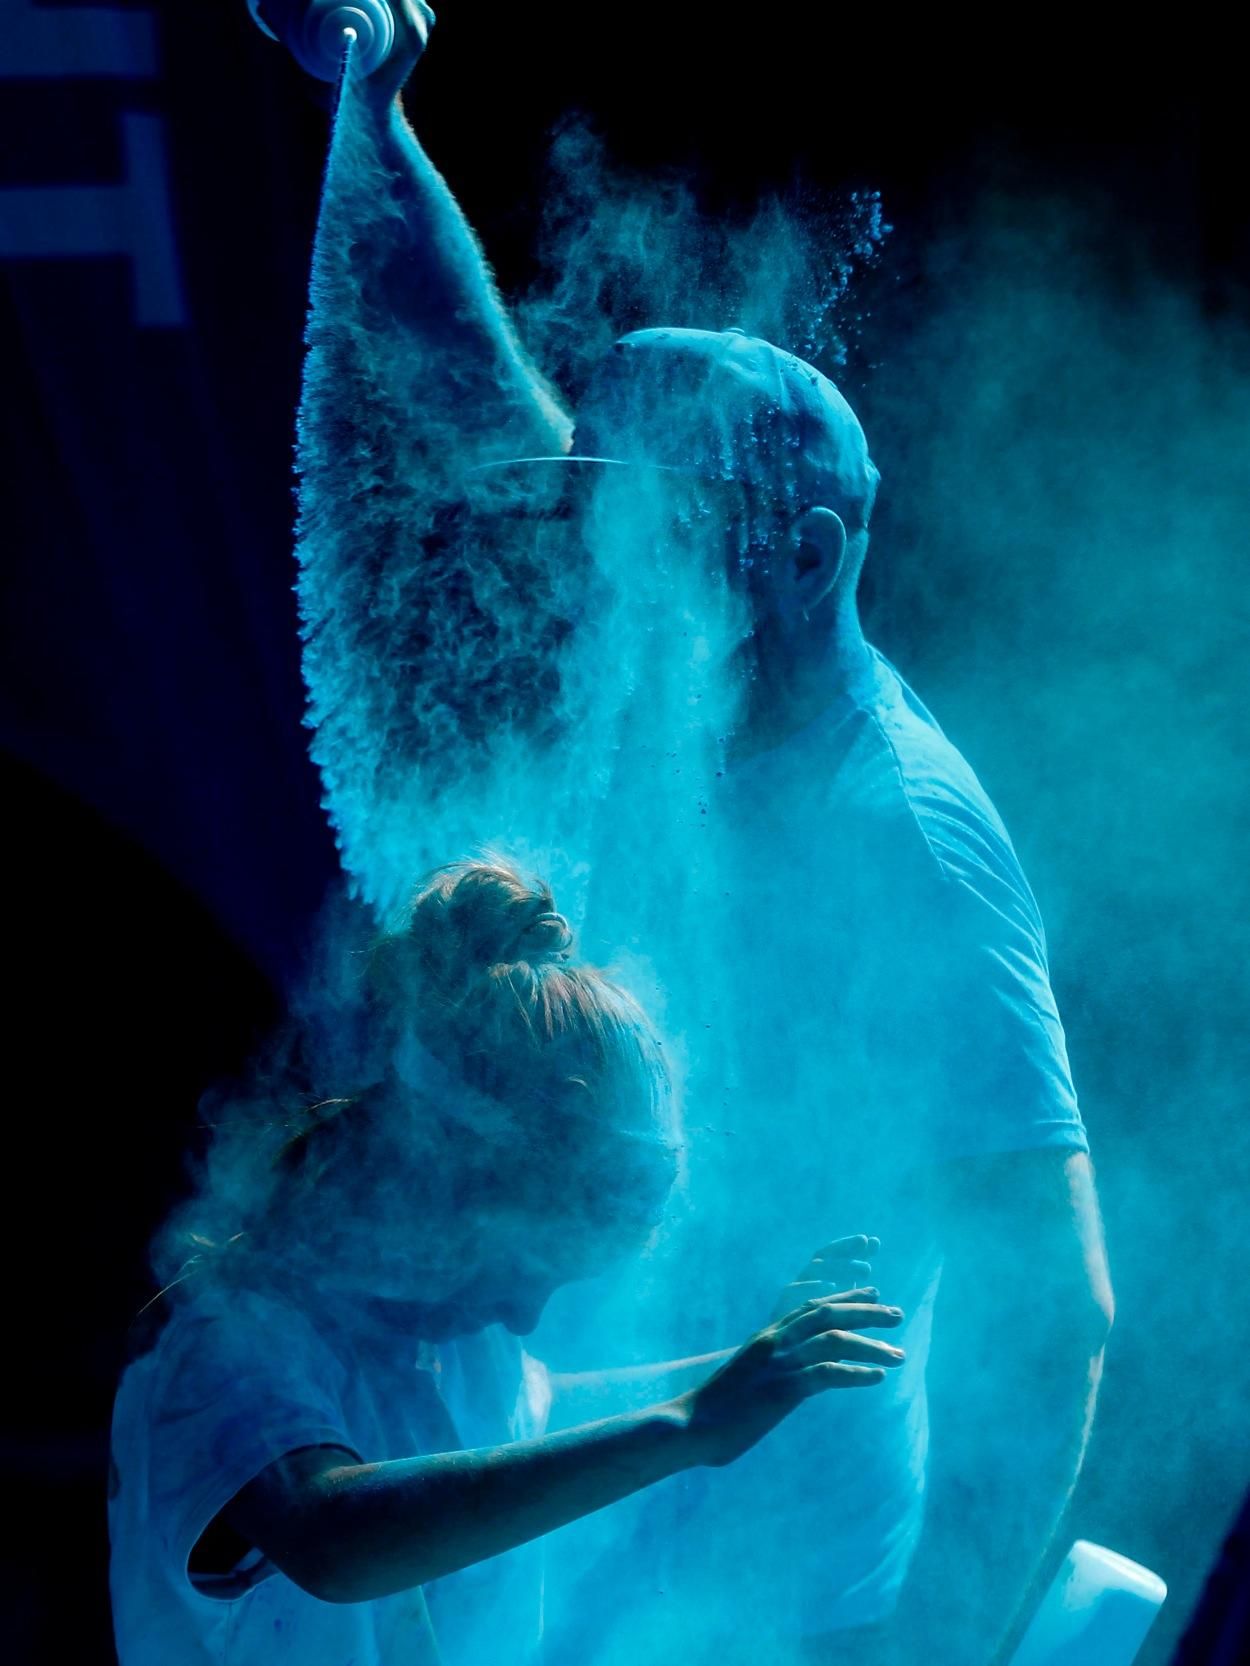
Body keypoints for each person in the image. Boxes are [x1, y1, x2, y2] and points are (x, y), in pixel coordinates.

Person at [287, 9, 1114, 1664]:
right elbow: (475, 395)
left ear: (803, 556)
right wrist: (377, 117)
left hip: (770, 1604)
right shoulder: (673, 686)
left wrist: (949, 1649)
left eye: (650, 520)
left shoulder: (905, 843)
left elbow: (1058, 1304)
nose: (604, 556)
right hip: (579, 1543)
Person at [108, 858, 907, 1666]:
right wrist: (688, 1425)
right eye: (524, 1271)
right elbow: (330, 1538)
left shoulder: (447, 1341)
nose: (525, 1318)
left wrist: (756, 1364)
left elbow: (539, 1414)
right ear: (439, 1180)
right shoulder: (230, 1345)